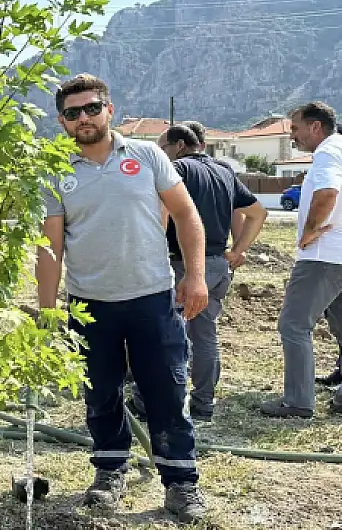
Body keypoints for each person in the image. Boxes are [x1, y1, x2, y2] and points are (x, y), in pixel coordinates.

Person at [35, 74, 209, 523]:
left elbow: (187, 215)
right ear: (62, 122)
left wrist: (195, 277)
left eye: (92, 108)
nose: (84, 118)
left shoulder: (148, 155)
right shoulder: (55, 172)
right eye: (73, 113)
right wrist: (50, 309)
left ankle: (181, 484)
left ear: (110, 110)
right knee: (100, 395)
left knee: (166, 390)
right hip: (89, 305)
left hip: (151, 297)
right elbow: (50, 247)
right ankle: (110, 472)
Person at [127, 123, 268, 422]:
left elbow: (161, 212)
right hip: (218, 266)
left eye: (162, 149)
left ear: (178, 146)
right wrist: (238, 250)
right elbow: (258, 213)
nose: (160, 155)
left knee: (162, 334)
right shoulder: (224, 171)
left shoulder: (177, 170)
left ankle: (147, 401)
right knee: (205, 336)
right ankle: (204, 404)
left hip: (185, 266)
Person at [261, 101, 342, 418]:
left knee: (294, 325)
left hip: (323, 257)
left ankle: (298, 402)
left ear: (315, 127)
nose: (292, 136)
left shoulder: (326, 153)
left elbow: (327, 193)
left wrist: (309, 232)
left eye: (295, 128)